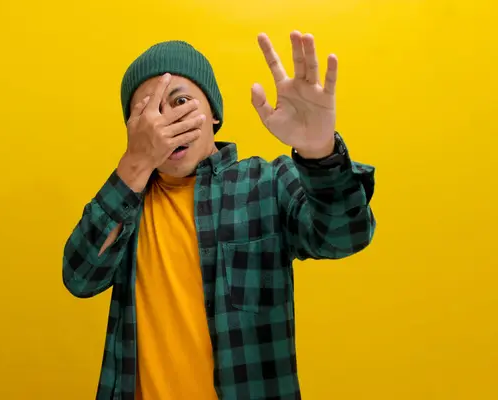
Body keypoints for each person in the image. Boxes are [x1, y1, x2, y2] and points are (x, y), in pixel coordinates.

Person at [62, 31, 376, 400]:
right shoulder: (125, 204)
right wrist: (134, 165)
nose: (168, 121)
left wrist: (319, 152)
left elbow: (345, 235)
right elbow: (80, 277)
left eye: (180, 101)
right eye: (148, 112)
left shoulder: (266, 182)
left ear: (213, 113)